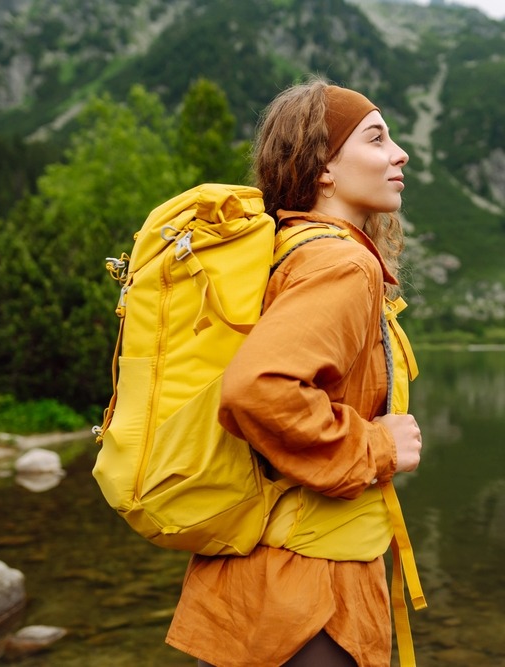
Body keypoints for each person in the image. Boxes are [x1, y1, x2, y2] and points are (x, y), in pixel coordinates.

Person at [164, 77, 424, 666]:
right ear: (323, 167)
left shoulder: (287, 250)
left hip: (252, 582)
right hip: (308, 601)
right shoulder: (341, 263)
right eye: (377, 138)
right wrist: (376, 445)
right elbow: (260, 389)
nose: (399, 153)